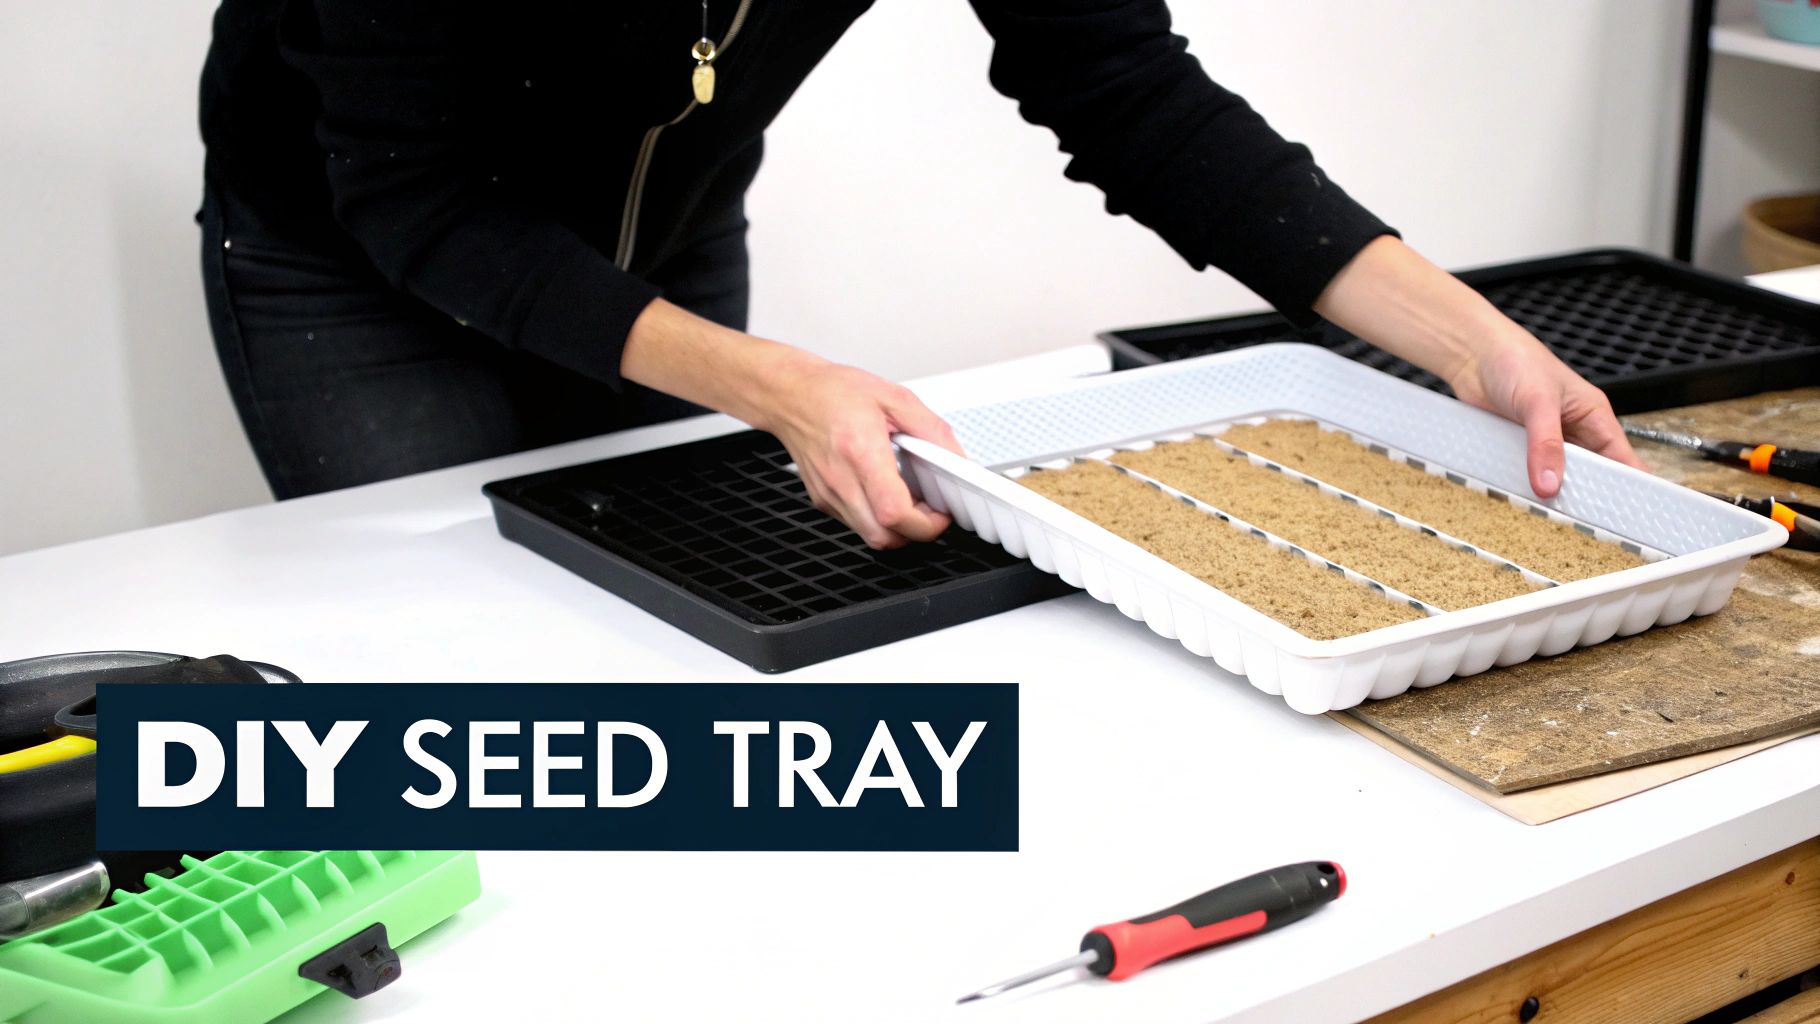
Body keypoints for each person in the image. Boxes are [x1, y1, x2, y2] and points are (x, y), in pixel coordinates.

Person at [199, 1, 1640, 550]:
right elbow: (416, 197)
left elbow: (1127, 86)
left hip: (669, 220)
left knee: (635, 626)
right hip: (355, 261)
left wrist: (1468, 344)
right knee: (451, 671)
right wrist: (770, 384)